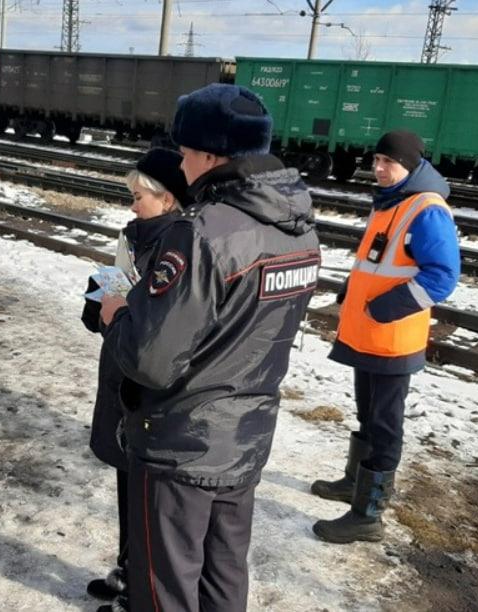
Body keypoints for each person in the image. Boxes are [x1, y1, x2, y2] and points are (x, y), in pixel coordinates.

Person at [100, 83, 320, 612]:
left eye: (183, 151)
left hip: (181, 440)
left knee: (165, 587)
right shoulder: (300, 230)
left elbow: (153, 361)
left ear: (206, 153)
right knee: (224, 574)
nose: (181, 162)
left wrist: (120, 315)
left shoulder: (202, 235)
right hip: (246, 432)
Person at [311, 129, 460, 544]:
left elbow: (443, 277)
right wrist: (352, 292)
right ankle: (353, 482)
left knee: (385, 424)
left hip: (392, 337)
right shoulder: (392, 202)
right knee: (367, 414)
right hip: (369, 335)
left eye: (386, 162)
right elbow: (381, 261)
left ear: (409, 166)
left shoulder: (426, 210)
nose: (377, 169)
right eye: (375, 160)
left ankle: (367, 515)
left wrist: (384, 307)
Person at [81, 148, 191, 612]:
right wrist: (98, 298)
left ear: (167, 200)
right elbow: (108, 311)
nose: (131, 205)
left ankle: (142, 592)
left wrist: (118, 310)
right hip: (121, 377)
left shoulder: (176, 248)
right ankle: (128, 569)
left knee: (147, 497)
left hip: (146, 389)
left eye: (138, 196)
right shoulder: (135, 238)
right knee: (129, 483)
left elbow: (157, 330)